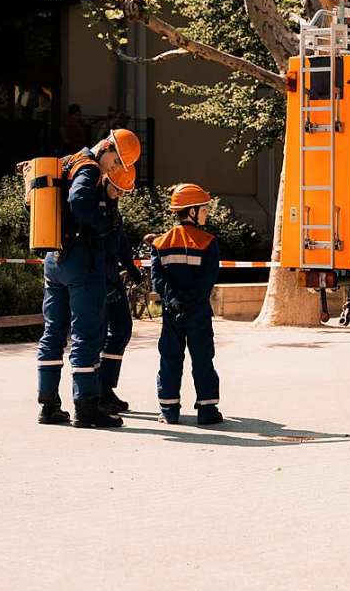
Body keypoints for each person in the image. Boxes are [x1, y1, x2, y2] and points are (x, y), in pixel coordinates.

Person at [36, 128, 142, 428]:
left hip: (55, 258)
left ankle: (48, 404)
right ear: (108, 148)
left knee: (53, 332)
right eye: (117, 163)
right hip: (82, 261)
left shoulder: (68, 161)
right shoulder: (90, 168)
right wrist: (103, 224)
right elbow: (79, 201)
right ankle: (86, 408)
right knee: (88, 334)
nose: (115, 170)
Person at [150, 183, 223, 426]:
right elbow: (207, 279)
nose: (206, 213)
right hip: (198, 310)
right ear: (191, 211)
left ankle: (169, 410)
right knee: (202, 358)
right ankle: (207, 410)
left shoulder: (160, 243)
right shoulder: (208, 242)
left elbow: (158, 279)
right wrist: (191, 302)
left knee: (170, 358)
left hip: (172, 312)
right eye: (203, 209)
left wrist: (173, 301)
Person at [98, 163, 143, 415]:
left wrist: (133, 270)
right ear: (106, 181)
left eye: (124, 191)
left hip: (111, 277)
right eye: (117, 189)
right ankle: (94, 392)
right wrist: (104, 282)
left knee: (122, 330)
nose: (120, 194)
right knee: (98, 335)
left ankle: (106, 386)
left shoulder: (114, 210)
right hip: (98, 279)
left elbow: (121, 243)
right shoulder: (94, 206)